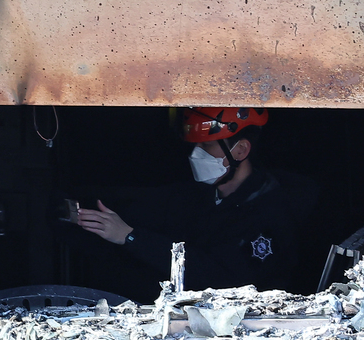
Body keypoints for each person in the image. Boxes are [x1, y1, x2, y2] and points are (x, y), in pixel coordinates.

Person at [74, 106, 295, 292]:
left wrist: (131, 237)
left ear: (240, 151)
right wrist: (82, 210)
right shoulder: (200, 194)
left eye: (206, 145)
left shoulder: (269, 213)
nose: (195, 154)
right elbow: (147, 206)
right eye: (194, 145)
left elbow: (221, 279)